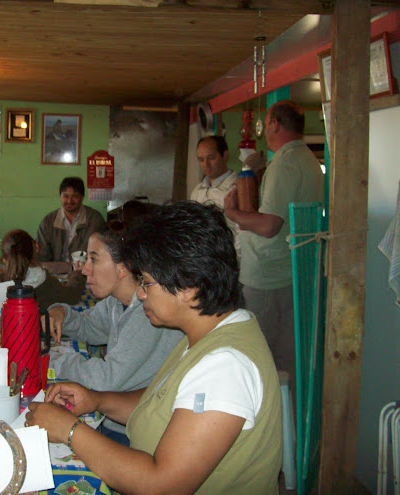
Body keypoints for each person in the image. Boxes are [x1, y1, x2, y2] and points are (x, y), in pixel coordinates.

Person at [26, 202, 283, 494]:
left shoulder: (225, 366)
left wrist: (69, 431)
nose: (139, 293)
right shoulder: (205, 334)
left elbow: (161, 485)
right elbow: (167, 402)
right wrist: (98, 400)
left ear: (187, 286)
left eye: (147, 283)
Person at [46, 223, 182, 445]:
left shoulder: (147, 314)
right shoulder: (116, 301)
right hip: (115, 420)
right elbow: (91, 328)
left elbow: (107, 380)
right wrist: (62, 312)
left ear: (123, 268)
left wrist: (54, 360)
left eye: (94, 259)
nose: (84, 269)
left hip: (134, 432)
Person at [224, 100, 324, 389]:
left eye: (265, 124)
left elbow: (269, 226)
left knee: (258, 360)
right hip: (291, 272)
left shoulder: (284, 163)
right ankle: (288, 429)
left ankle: (267, 427)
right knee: (287, 361)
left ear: (274, 125)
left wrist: (234, 214)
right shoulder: (308, 159)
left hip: (268, 278)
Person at [0, 229, 84, 312]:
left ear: (4, 260)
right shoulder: (46, 282)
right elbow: (72, 296)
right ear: (36, 248)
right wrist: (77, 274)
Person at [190, 135, 241, 258]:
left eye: (211, 158)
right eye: (201, 160)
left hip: (228, 259)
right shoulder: (197, 191)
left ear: (225, 156)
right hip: (203, 260)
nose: (206, 165)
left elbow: (243, 232)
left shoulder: (238, 188)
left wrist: (234, 260)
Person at [37, 176, 106, 263]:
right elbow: (42, 256)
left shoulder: (95, 219)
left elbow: (99, 254)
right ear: (60, 196)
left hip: (85, 273)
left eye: (74, 196)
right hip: (54, 273)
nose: (69, 201)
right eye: (65, 196)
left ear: (82, 197)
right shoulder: (48, 222)